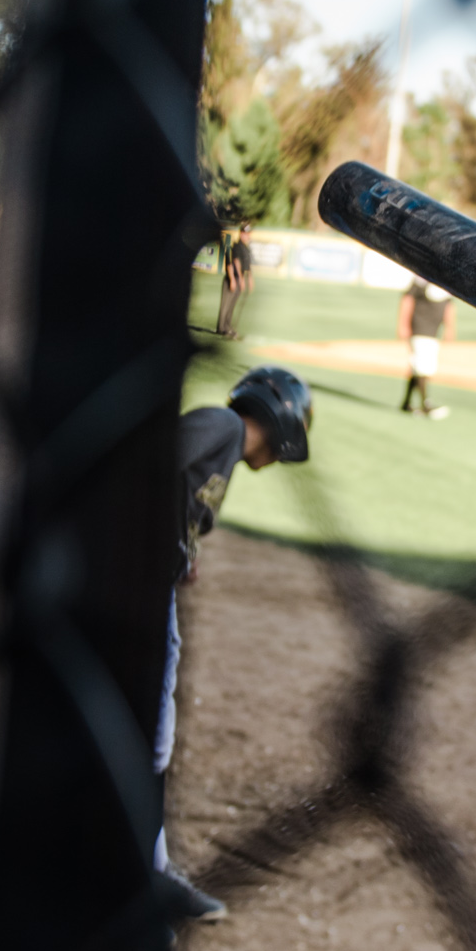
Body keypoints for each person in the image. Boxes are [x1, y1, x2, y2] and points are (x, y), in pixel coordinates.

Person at [154, 365, 313, 921]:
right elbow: (151, 467)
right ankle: (149, 877)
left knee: (156, 731)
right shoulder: (221, 425)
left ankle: (150, 871)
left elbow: (179, 499)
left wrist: (183, 552)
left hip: (151, 585)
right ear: (282, 415)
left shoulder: (224, 445)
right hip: (141, 585)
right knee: (154, 733)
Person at [399, 277, 456, 418]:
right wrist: (403, 325)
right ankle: (425, 405)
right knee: (422, 366)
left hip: (433, 330)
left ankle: (406, 403)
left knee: (418, 367)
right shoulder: (420, 281)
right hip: (419, 328)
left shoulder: (446, 282)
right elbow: (407, 300)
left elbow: (448, 305)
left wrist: (450, 328)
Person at [216, 220, 254, 338]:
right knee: (226, 305)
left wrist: (250, 280)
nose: (247, 235)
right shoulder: (237, 246)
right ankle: (222, 328)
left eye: (248, 233)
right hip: (231, 279)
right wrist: (235, 279)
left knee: (231, 305)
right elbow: (235, 263)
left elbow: (247, 266)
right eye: (245, 233)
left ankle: (227, 326)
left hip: (239, 279)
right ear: (241, 233)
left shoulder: (246, 249)